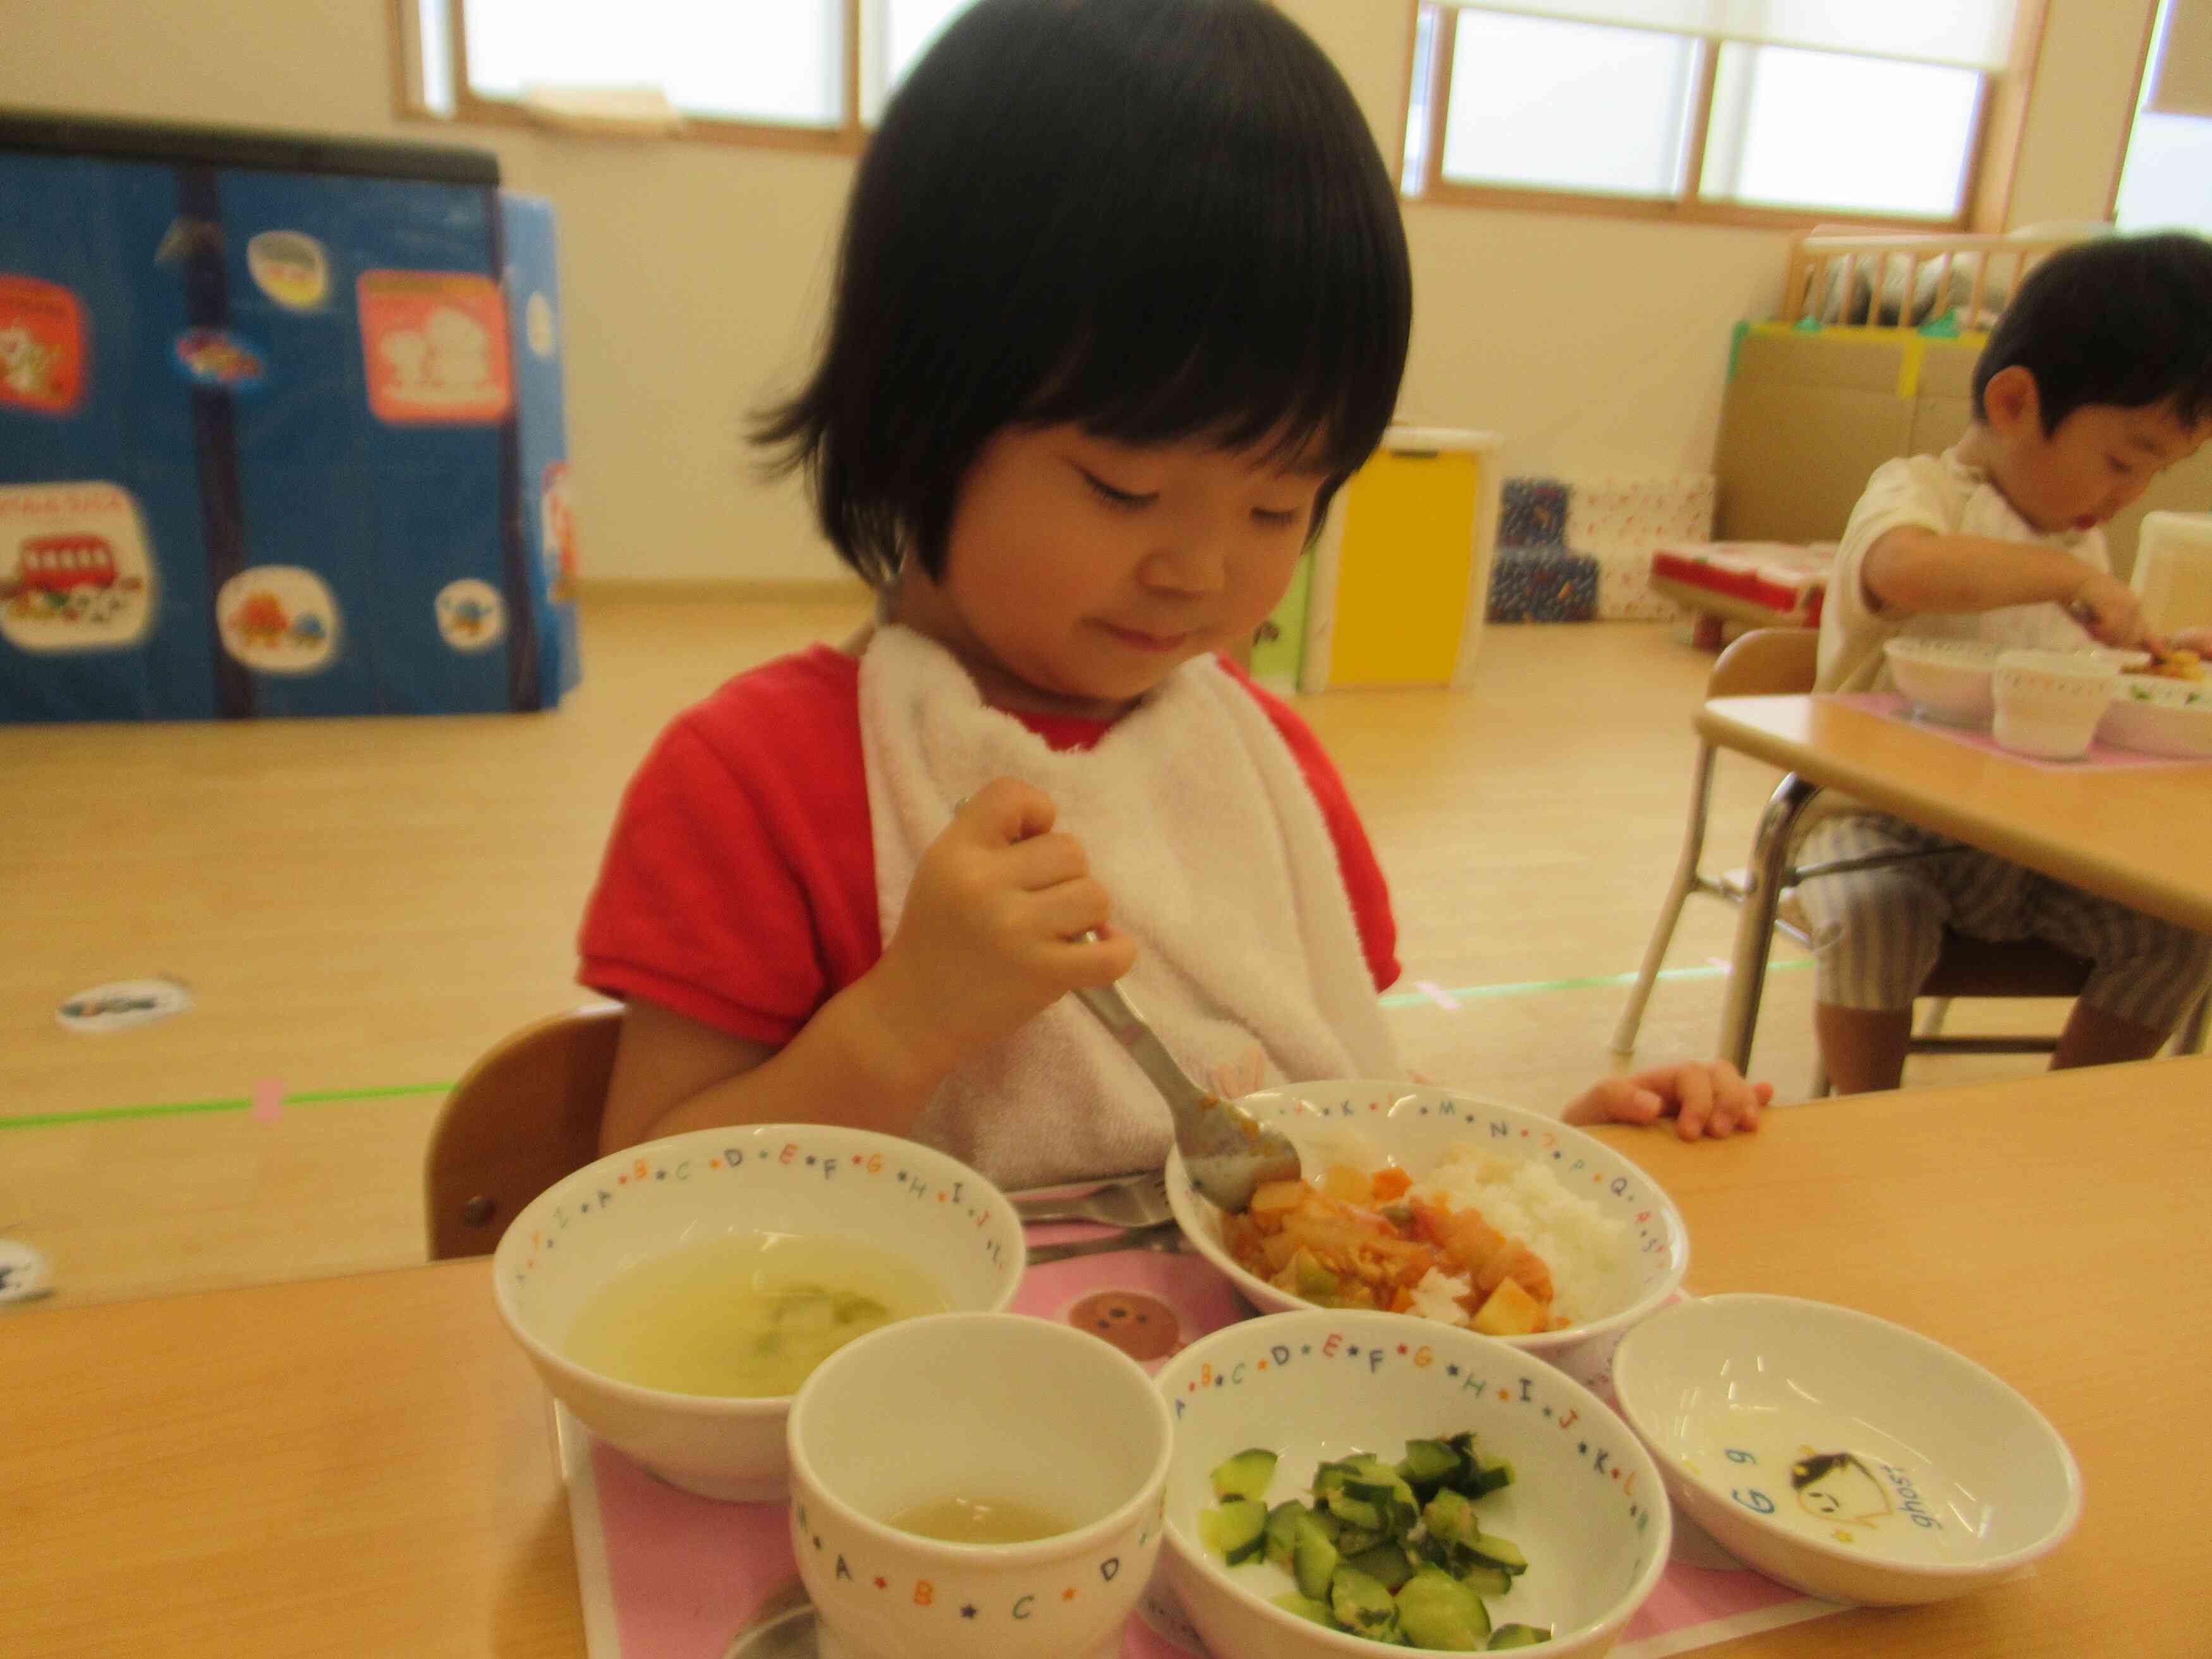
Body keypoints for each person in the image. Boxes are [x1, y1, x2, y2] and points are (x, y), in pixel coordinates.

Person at [577, 0, 1768, 1188]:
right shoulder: (754, 785)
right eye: (1123, 487)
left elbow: (1346, 1135)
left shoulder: (1265, 771)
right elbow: (640, 1196)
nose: (1201, 570)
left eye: (1277, 507)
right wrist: (904, 1020)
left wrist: (1547, 1167)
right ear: (917, 416)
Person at [1801, 232, 2212, 1097]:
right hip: (1881, 826)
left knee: (2180, 932)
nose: (2128, 494)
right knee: (1877, 916)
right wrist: (2075, 577)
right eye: (2122, 460)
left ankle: (2065, 1110)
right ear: (2018, 401)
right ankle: (1869, 1116)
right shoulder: (1921, 490)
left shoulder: (2078, 536)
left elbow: (2073, 674)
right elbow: (1903, 568)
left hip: (2034, 840)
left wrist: (2163, 655)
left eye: (2157, 473)